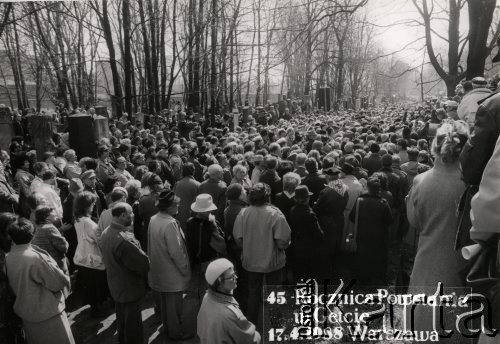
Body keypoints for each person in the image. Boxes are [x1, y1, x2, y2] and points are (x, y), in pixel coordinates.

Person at [406, 121, 469, 335]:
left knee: (423, 327)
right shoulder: (473, 185)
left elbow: (414, 221)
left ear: (434, 147)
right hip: (462, 266)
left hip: (427, 264)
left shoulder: (420, 182)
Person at [6, 218, 74, 344]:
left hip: (27, 315)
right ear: (32, 235)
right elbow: (57, 283)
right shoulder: (34, 258)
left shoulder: (8, 257)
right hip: (48, 314)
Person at [233, 183, 291, 324]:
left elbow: (238, 240)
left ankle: (251, 322)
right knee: (273, 292)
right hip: (273, 262)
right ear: (267, 197)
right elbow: (283, 242)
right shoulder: (275, 213)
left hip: (251, 261)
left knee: (253, 292)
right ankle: (274, 321)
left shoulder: (243, 213)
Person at [99, 202, 150, 344]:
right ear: (122, 215)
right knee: (133, 327)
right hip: (130, 289)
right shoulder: (124, 240)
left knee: (122, 321)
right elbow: (143, 264)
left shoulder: (106, 232)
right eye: (130, 213)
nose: (133, 215)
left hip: (116, 286)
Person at [148, 190, 192, 341]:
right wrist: (185, 268)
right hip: (172, 272)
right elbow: (176, 251)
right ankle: (176, 333)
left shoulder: (154, 219)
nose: (178, 205)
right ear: (169, 206)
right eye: (176, 204)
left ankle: (168, 329)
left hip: (159, 270)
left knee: (166, 305)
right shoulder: (170, 223)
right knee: (174, 307)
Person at [197, 258, 261, 344]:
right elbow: (251, 340)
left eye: (235, 274)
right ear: (219, 282)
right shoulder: (230, 314)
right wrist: (257, 335)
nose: (236, 277)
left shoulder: (207, 297)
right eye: (232, 276)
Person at [349, 176, 392, 286]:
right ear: (379, 189)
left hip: (362, 234)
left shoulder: (360, 201)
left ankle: (363, 279)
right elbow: (389, 221)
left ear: (367, 187)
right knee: (376, 257)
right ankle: (375, 278)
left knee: (363, 256)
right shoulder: (383, 203)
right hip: (379, 236)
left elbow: (352, 217)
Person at [73, 191, 108, 318]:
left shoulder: (77, 219)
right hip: (93, 257)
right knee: (96, 284)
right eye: (92, 204)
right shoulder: (88, 223)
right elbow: (98, 239)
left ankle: (94, 307)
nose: (93, 207)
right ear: (87, 206)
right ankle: (96, 309)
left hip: (82, 256)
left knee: (89, 285)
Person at [289, 185, 328, 282]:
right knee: (309, 273)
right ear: (307, 198)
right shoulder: (310, 214)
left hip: (297, 246)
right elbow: (318, 233)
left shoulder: (293, 210)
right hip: (310, 248)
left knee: (299, 273)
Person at [31, 205, 69, 272]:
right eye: (52, 212)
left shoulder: (38, 228)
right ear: (46, 217)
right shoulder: (50, 228)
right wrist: (66, 242)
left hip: (46, 265)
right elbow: (63, 247)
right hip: (56, 265)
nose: (55, 214)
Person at [173, 163, 200, 230]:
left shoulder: (177, 184)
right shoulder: (198, 185)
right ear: (193, 171)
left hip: (178, 216)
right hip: (191, 217)